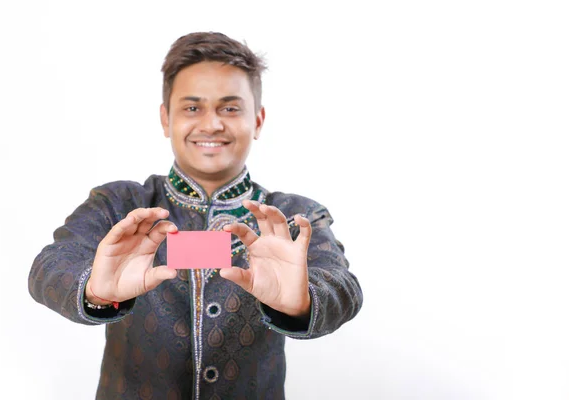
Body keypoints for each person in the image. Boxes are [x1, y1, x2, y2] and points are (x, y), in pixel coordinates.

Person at [28, 31, 363, 400]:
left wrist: (303, 300)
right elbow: (49, 266)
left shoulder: (293, 217)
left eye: (230, 108)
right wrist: (93, 290)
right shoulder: (120, 205)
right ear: (165, 118)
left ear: (259, 120)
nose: (211, 124)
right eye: (192, 108)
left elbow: (342, 287)